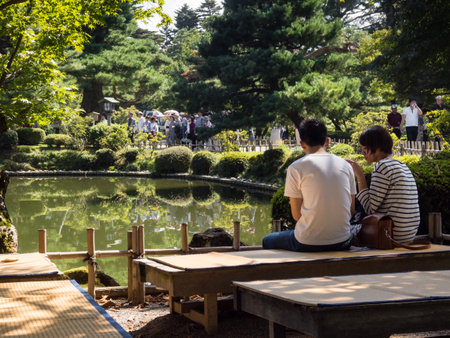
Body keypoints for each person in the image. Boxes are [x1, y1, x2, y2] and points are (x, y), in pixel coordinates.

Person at [262, 119, 356, 252]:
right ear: (327, 141)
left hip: (307, 242)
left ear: (302, 144)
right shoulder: (346, 166)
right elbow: (351, 211)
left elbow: (296, 215)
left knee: (267, 240)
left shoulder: (296, 167)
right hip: (343, 241)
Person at [345, 126, 419, 244]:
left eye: (365, 148)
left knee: (341, 233)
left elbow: (370, 209)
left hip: (389, 234)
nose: (363, 153)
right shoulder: (401, 165)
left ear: (377, 147)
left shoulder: (382, 166)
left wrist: (359, 175)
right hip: (406, 235)